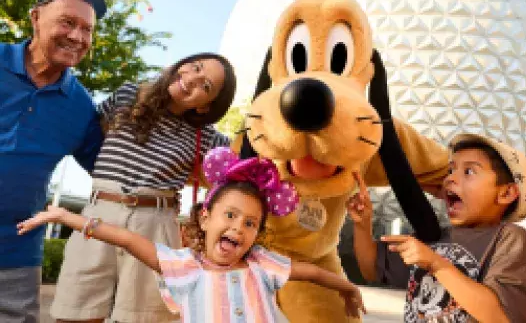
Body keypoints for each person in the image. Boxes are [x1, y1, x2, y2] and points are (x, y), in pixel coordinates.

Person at [18, 146, 366, 323]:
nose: (238, 228)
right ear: (204, 218)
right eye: (230, 215)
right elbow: (125, 238)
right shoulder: (182, 265)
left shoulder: (263, 264)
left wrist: (348, 289)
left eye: (250, 223)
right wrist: (68, 217)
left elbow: (314, 272)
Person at [48, 53, 237, 322]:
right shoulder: (128, 94)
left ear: (206, 106)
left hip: (155, 224)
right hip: (99, 211)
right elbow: (91, 135)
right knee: (75, 312)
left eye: (206, 86)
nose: (193, 79)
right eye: (195, 67)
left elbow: (242, 159)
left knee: (142, 318)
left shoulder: (205, 135)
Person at [0, 0, 107, 322]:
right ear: (35, 18)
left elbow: (108, 168)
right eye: (67, 22)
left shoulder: (79, 106)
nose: (77, 37)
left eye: (87, 30)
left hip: (15, 251)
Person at [348, 133, 526, 322]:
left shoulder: (510, 239)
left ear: (507, 193)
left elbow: (501, 316)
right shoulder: (435, 236)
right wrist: (363, 224)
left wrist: (436, 264)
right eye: (451, 170)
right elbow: (371, 268)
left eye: (469, 171)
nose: (450, 178)